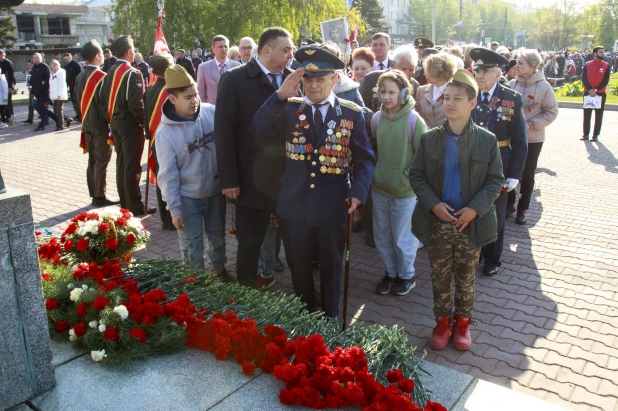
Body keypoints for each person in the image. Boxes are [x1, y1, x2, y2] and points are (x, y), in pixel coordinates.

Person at [251, 47, 376, 318]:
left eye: (321, 79)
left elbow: (365, 159)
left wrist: (358, 192)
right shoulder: (289, 108)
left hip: (333, 204)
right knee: (299, 263)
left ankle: (330, 315)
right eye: (308, 79)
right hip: (294, 204)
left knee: (332, 264)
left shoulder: (351, 113)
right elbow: (256, 130)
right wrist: (278, 95)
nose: (314, 85)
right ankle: (305, 310)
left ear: (335, 80)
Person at [411, 68, 504, 351]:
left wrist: (475, 210)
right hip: (438, 222)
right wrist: (433, 204)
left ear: (472, 103)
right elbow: (417, 175)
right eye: (446, 98)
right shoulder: (429, 138)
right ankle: (442, 322)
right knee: (439, 277)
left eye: (457, 98)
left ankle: (462, 324)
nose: (449, 103)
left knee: (466, 278)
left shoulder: (487, 140)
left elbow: (495, 179)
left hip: (469, 223)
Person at [214, 27, 296, 288]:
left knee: (291, 242)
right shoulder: (235, 79)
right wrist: (228, 179)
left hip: (287, 179)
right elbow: (223, 132)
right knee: (249, 243)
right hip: (249, 180)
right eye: (286, 49)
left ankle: (295, 290)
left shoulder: (293, 78)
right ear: (267, 50)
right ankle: (246, 293)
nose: (291, 54)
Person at [155, 64, 231, 279]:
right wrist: (174, 209)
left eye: (196, 95)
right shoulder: (165, 134)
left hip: (215, 192)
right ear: (172, 99)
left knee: (217, 237)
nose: (194, 101)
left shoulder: (211, 113)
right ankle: (195, 281)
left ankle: (219, 269)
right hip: (188, 198)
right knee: (191, 243)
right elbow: (168, 175)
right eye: (187, 97)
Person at [470, 48, 527, 277]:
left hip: (499, 163)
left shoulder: (511, 98)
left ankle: (493, 257)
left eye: (484, 71)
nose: (479, 76)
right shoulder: (469, 94)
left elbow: (521, 141)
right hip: (471, 162)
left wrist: (515, 174)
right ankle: (478, 251)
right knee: (473, 207)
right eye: (477, 71)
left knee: (495, 213)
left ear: (497, 73)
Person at [370, 70, 426, 296]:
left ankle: (407, 275)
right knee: (382, 236)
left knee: (403, 238)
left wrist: (406, 177)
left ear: (403, 93)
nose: (386, 96)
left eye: (392, 92)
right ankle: (391, 273)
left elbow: (423, 157)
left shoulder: (414, 121)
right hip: (380, 188)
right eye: (382, 91)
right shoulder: (376, 118)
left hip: (404, 192)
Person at [99, 35, 155, 216]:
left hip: (115, 123)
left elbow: (102, 102)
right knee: (132, 166)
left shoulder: (110, 73)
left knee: (122, 164)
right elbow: (136, 105)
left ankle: (125, 203)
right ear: (129, 52)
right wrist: (146, 124)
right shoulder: (133, 73)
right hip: (130, 125)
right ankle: (135, 206)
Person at [506, 49, 559, 225]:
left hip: (532, 139)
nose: (516, 66)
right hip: (512, 138)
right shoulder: (511, 84)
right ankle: (509, 204)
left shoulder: (544, 87)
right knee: (511, 170)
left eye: (521, 63)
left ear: (533, 65)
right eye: (516, 63)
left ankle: (523, 208)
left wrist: (530, 125)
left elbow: (551, 111)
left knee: (527, 174)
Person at [74, 40, 117, 208]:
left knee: (92, 160)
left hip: (86, 124)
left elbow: (76, 102)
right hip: (100, 126)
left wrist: (83, 118)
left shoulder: (80, 76)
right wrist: (110, 123)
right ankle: (99, 196)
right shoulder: (101, 77)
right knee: (101, 160)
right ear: (98, 56)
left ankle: (94, 192)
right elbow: (104, 105)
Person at [144, 53, 176, 230]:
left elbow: (146, 117)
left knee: (162, 177)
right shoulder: (173, 89)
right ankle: (175, 215)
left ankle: (165, 219)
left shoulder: (149, 90)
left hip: (156, 141)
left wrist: (149, 137)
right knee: (174, 177)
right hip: (173, 140)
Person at [360, 45, 421, 113]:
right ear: (392, 65)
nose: (407, 73)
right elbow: (361, 108)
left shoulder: (415, 85)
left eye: (411, 70)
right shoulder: (371, 79)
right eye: (403, 69)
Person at [415, 53, 457, 129]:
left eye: (429, 70)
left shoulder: (455, 92)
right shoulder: (421, 90)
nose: (425, 74)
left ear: (440, 71)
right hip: (423, 136)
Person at [197, 35, 240, 105]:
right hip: (212, 110)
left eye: (225, 46)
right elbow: (201, 94)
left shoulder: (237, 66)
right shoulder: (203, 67)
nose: (223, 49)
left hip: (232, 109)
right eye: (220, 47)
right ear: (213, 48)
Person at [581, 46, 610, 142]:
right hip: (588, 92)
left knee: (599, 115)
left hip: (600, 93)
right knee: (587, 114)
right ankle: (585, 134)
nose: (603, 54)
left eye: (603, 52)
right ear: (595, 53)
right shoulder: (587, 64)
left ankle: (595, 135)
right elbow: (584, 78)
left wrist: (596, 89)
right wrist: (590, 89)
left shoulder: (606, 65)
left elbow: (605, 80)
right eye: (601, 52)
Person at [31, 53, 59, 132]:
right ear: (33, 59)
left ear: (41, 58)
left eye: (38, 57)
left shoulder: (45, 67)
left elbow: (48, 79)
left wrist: (44, 84)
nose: (37, 59)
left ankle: (42, 125)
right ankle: (57, 119)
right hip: (37, 92)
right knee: (43, 109)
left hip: (44, 92)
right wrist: (33, 92)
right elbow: (33, 80)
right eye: (35, 58)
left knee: (43, 109)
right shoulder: (33, 68)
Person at [48, 59, 71, 131]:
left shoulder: (61, 72)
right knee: (55, 110)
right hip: (54, 94)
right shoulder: (52, 73)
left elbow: (62, 84)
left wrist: (60, 94)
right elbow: (51, 85)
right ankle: (67, 119)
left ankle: (61, 125)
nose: (54, 65)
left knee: (59, 110)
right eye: (52, 64)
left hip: (60, 94)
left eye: (55, 64)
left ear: (58, 64)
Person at [63, 53, 82, 120]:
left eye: (67, 59)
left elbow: (80, 74)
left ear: (70, 58)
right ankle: (77, 115)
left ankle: (80, 115)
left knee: (77, 101)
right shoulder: (66, 66)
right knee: (73, 102)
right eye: (65, 59)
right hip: (70, 86)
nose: (66, 60)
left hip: (76, 85)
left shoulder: (76, 64)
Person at [0, 49, 15, 125]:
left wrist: (10, 86)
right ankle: (5, 116)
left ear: (3, 55)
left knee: (8, 101)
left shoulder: (8, 63)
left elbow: (11, 75)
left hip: (7, 85)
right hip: (1, 85)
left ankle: (11, 116)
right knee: (2, 102)